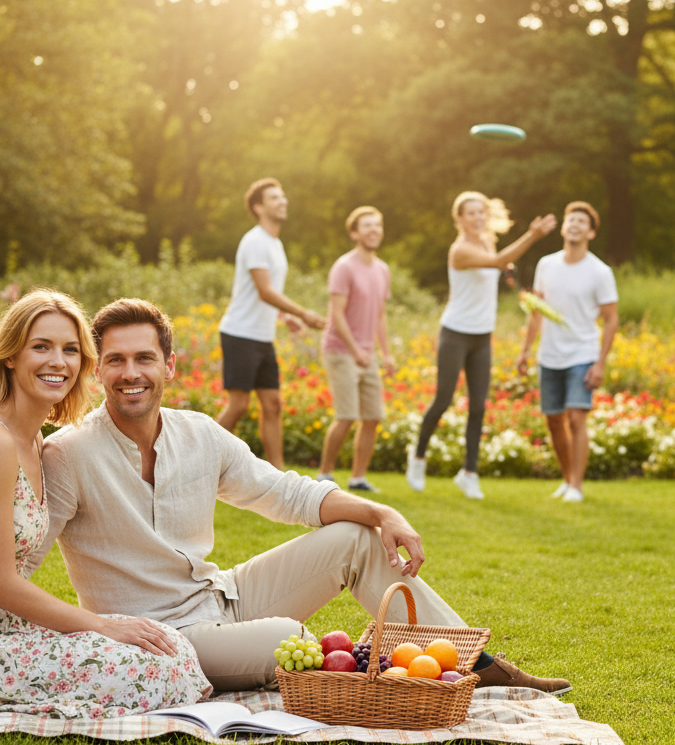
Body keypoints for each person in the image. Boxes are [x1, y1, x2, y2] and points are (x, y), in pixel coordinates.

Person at [28, 298, 571, 695]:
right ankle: (400, 667)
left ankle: (468, 664)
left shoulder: (201, 435)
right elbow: (17, 566)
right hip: (160, 637)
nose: (131, 373)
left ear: (168, 367)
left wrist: (382, 511)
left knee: (357, 537)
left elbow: (286, 493)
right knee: (290, 640)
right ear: (97, 370)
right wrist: (95, 629)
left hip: (225, 597)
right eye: (116, 360)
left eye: (144, 358)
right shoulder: (70, 455)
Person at [0, 290, 210, 717]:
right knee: (149, 669)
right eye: (41, 347)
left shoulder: (32, 439)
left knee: (169, 646)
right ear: (11, 355)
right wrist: (104, 625)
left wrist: (107, 630)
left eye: (70, 350)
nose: (58, 362)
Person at [406, 192, 557, 499]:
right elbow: (500, 261)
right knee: (444, 399)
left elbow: (498, 265)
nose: (477, 218)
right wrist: (532, 235)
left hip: (482, 335)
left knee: (478, 406)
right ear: (459, 219)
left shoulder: (487, 241)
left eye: (481, 212)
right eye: (470, 213)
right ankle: (418, 457)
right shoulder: (459, 250)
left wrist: (509, 275)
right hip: (455, 333)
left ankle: (469, 473)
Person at [215, 177, 326, 470]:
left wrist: (285, 316)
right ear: (258, 207)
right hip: (240, 333)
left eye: (283, 196)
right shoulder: (254, 241)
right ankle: (196, 462)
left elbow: (267, 292)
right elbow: (264, 290)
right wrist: (303, 313)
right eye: (275, 198)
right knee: (238, 406)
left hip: (263, 337)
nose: (283, 201)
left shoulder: (275, 244)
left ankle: (277, 475)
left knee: (273, 404)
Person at [515, 202, 619, 504]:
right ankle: (566, 478)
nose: (574, 224)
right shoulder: (546, 265)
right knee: (553, 420)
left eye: (581, 221)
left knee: (576, 418)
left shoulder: (600, 272)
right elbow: (536, 310)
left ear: (591, 232)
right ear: (563, 227)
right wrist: (524, 350)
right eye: (570, 219)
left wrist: (600, 362)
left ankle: (577, 485)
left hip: (582, 354)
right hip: (549, 355)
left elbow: (611, 318)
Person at [317, 206, 395, 492]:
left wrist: (385, 353)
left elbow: (381, 315)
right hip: (340, 350)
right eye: (367, 226)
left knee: (373, 416)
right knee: (347, 415)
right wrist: (356, 350)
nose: (373, 230)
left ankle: (358, 478)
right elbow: (336, 314)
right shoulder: (344, 267)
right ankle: (325, 474)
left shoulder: (382, 269)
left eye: (377, 225)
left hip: (367, 354)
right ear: (354, 233)